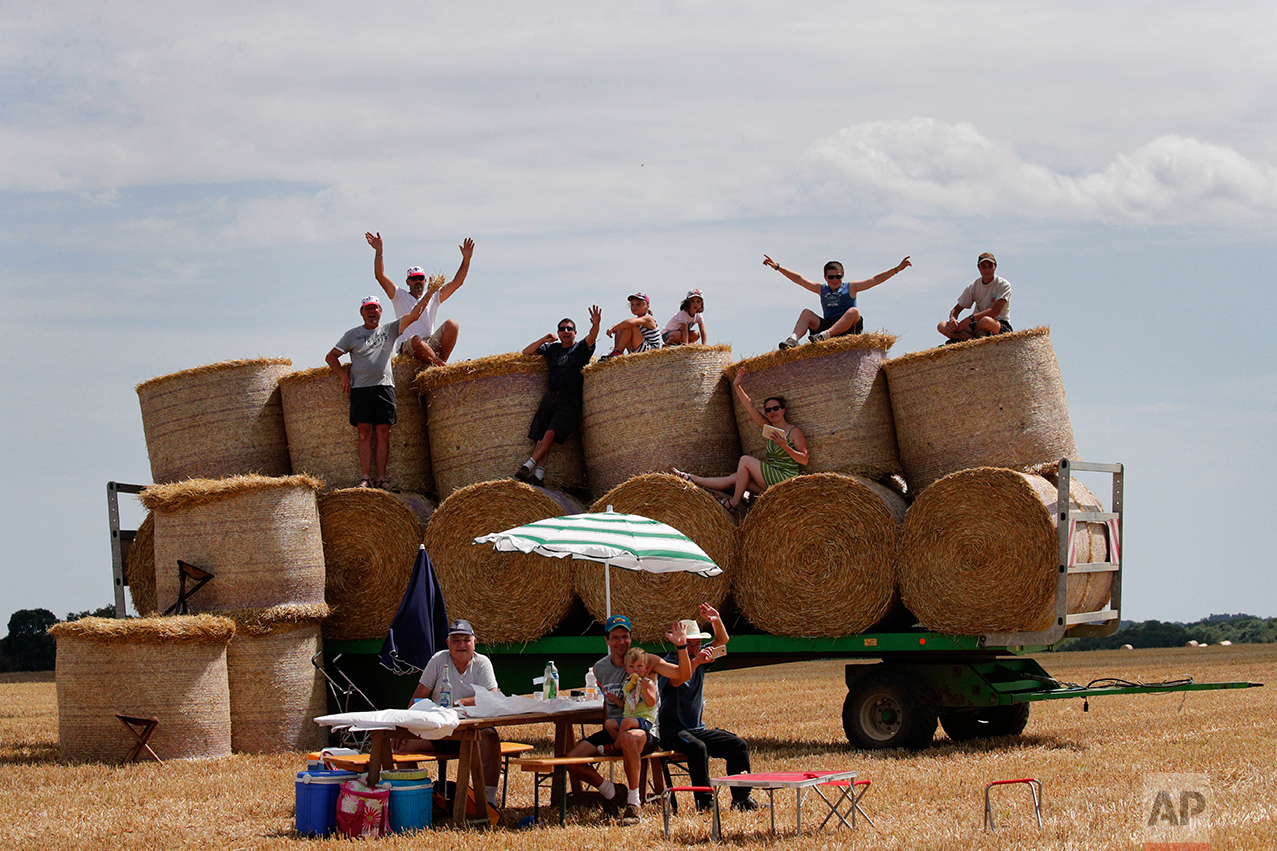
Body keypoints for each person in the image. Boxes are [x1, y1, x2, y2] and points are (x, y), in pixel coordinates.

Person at [563, 615, 692, 826]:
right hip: (616, 727)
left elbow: (683, 674)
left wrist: (682, 647)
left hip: (644, 729)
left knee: (630, 738)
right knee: (572, 759)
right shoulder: (599, 669)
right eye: (615, 637)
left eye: (625, 636)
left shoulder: (645, 660)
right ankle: (612, 791)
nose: (621, 642)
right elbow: (607, 703)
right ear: (606, 640)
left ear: (631, 638)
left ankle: (634, 804)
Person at [393, 619, 505, 809]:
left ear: (474, 642)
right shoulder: (438, 660)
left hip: (472, 732)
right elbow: (419, 697)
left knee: (490, 737)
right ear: (448, 643)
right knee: (401, 745)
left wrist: (461, 703)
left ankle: (487, 801)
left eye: (466, 640)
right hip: (441, 731)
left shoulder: (482, 663)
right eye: (456, 640)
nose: (461, 645)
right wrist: (404, 726)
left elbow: (492, 696)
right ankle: (419, 798)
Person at [325, 292, 432, 490]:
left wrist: (431, 292)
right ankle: (366, 477)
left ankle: (382, 479)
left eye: (375, 308)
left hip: (384, 388)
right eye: (368, 308)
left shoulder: (389, 329)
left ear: (381, 311)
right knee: (364, 433)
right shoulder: (352, 334)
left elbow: (414, 315)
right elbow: (331, 357)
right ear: (362, 312)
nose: (372, 311)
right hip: (361, 389)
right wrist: (342, 375)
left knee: (384, 432)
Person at [658, 604, 757, 812]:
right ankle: (705, 803)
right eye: (690, 644)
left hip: (697, 729)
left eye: (697, 644)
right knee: (697, 748)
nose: (695, 648)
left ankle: (741, 799)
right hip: (673, 732)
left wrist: (716, 620)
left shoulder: (700, 659)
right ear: (681, 645)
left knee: (738, 745)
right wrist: (696, 661)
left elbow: (723, 641)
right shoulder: (667, 664)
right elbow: (678, 679)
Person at [674, 366, 808, 511]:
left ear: (783, 410)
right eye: (768, 410)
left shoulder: (793, 432)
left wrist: (785, 447)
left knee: (745, 460)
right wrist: (737, 386)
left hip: (785, 479)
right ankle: (693, 479)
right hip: (771, 478)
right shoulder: (770, 429)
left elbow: (804, 460)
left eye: (775, 408)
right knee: (737, 477)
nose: (772, 412)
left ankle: (734, 503)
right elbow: (750, 407)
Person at [515, 306, 602, 485]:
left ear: (575, 332)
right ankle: (539, 477)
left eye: (569, 329)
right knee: (541, 438)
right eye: (562, 329)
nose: (566, 331)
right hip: (551, 397)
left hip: (570, 399)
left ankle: (527, 466)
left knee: (549, 435)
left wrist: (596, 324)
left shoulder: (580, 349)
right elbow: (526, 351)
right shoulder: (552, 349)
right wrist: (545, 339)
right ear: (558, 332)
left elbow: (592, 337)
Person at [365, 231, 474, 366]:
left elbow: (457, 282)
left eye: (420, 278)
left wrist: (466, 259)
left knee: (452, 324)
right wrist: (379, 251)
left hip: (429, 344)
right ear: (407, 282)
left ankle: (439, 364)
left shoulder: (434, 296)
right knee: (416, 340)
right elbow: (380, 276)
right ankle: (442, 366)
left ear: (425, 281)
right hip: (409, 346)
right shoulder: (399, 296)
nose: (417, 281)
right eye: (414, 279)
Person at [763, 254, 911, 349]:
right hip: (828, 324)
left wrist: (897, 269)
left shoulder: (851, 287)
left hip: (847, 328)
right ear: (825, 277)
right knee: (806, 313)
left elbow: (875, 280)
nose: (835, 280)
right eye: (831, 277)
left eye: (838, 277)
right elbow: (800, 279)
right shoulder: (822, 289)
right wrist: (778, 267)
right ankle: (792, 340)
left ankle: (825, 336)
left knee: (854, 312)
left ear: (843, 276)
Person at [937, 252, 1013, 342]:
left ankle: (963, 338)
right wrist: (953, 319)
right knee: (942, 326)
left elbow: (995, 312)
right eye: (983, 266)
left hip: (997, 323)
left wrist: (970, 318)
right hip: (976, 325)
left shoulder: (1003, 285)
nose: (987, 270)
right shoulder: (974, 286)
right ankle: (972, 340)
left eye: (990, 266)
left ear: (995, 267)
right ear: (979, 268)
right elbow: (956, 309)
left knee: (985, 321)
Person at [602, 646, 658, 750]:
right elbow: (625, 705)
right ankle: (623, 746)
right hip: (627, 718)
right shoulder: (627, 685)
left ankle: (615, 747)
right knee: (609, 724)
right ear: (626, 669)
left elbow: (652, 703)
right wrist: (615, 700)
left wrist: (645, 691)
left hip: (644, 720)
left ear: (646, 668)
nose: (635, 669)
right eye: (632, 666)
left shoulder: (648, 683)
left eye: (639, 666)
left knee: (626, 722)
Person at [599, 292, 662, 360]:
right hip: (639, 347)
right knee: (622, 327)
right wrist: (613, 328)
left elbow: (629, 322)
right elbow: (622, 324)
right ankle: (616, 351)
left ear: (647, 306)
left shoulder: (648, 318)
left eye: (638, 305)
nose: (634, 307)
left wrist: (614, 328)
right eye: (632, 304)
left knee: (630, 326)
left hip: (649, 350)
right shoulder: (638, 320)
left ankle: (618, 352)